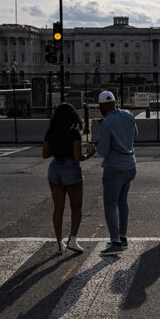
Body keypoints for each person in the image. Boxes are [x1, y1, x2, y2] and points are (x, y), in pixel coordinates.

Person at [42, 102, 96, 255]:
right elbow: (78, 157)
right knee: (76, 207)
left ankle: (59, 242)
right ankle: (73, 239)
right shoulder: (74, 133)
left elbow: (45, 154)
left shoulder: (50, 132)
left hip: (55, 169)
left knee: (58, 208)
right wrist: (89, 155)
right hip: (71, 169)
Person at [95, 90, 138, 256]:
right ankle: (123, 237)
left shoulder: (106, 123)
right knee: (123, 202)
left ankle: (115, 242)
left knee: (110, 204)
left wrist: (97, 145)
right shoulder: (128, 114)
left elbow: (104, 151)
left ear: (103, 105)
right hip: (130, 164)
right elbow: (135, 134)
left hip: (114, 167)